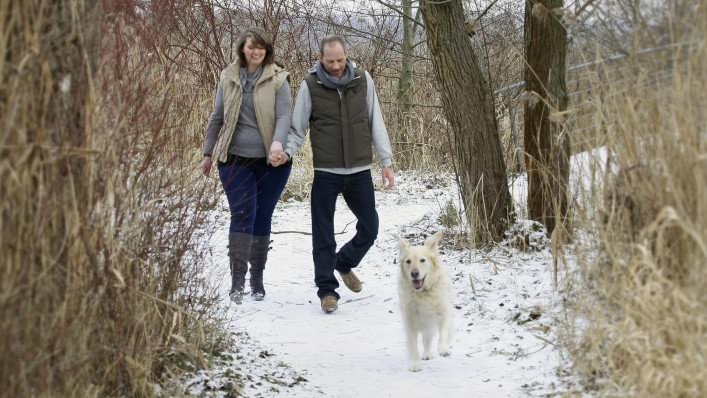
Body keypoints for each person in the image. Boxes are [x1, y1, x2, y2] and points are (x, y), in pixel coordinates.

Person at [270, 35, 395, 313]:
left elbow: (376, 120)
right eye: (330, 61)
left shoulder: (363, 80)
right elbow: (298, 127)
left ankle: (344, 262)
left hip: (360, 170)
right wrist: (287, 153)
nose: (336, 66)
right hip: (326, 172)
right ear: (321, 59)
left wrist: (386, 161)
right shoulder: (310, 85)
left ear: (346, 56)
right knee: (323, 233)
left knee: (370, 227)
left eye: (340, 60)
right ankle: (327, 291)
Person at [200, 28, 292, 304]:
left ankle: (257, 279)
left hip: (271, 162)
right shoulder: (228, 77)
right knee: (242, 214)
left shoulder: (279, 78)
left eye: (261, 48)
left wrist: (278, 144)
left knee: (262, 216)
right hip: (234, 159)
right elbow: (217, 116)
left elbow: (286, 115)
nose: (256, 52)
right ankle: (237, 281)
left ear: (267, 51)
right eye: (252, 47)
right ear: (243, 48)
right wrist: (207, 153)